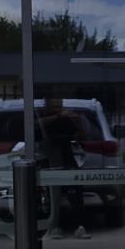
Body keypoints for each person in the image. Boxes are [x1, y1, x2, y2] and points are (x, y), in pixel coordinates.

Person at [38, 98, 89, 240]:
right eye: (54, 104)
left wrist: (77, 122)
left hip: (67, 158)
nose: (57, 107)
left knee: (75, 193)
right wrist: (58, 116)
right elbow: (36, 127)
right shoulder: (41, 117)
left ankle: (79, 226)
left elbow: (81, 136)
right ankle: (54, 227)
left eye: (59, 104)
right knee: (52, 196)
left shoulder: (68, 119)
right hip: (50, 159)